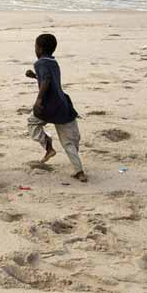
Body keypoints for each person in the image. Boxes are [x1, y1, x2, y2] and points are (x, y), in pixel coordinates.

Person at [25, 33, 86, 182]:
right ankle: (79, 172)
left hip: (48, 106)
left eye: (35, 47)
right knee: (68, 143)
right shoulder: (53, 62)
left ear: (39, 48)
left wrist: (39, 99)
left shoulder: (39, 63)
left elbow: (46, 79)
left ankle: (48, 146)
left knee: (32, 123)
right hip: (63, 105)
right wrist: (35, 76)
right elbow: (49, 78)